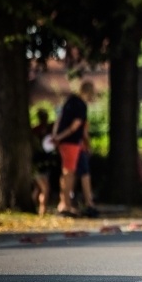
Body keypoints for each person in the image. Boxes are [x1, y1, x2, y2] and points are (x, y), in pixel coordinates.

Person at [52, 81, 96, 217]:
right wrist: (60, 137)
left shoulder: (70, 100)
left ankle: (85, 203)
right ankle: (65, 204)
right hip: (71, 142)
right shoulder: (81, 106)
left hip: (67, 142)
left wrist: (55, 135)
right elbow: (75, 126)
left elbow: (59, 119)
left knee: (78, 171)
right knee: (68, 173)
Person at [31, 108, 57, 216]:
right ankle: (42, 209)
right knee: (45, 188)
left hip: (44, 164)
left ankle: (35, 207)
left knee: (38, 188)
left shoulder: (49, 129)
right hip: (39, 164)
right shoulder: (36, 131)